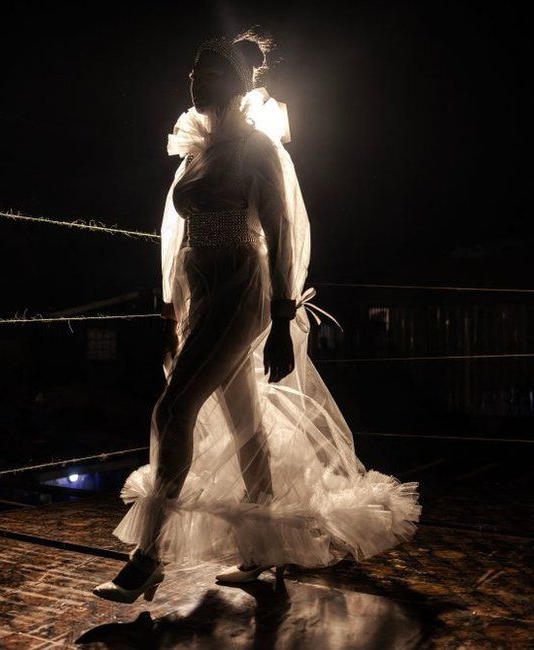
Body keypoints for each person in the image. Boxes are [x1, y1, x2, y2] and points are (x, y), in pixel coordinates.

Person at [93, 30, 422, 604]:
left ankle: (147, 558)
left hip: (241, 291)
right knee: (245, 422)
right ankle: (261, 553)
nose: (194, 81)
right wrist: (171, 306)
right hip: (201, 292)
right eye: (192, 72)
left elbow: (282, 231)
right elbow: (178, 236)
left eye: (208, 73)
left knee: (174, 409)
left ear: (237, 86)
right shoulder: (198, 148)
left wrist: (282, 309)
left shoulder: (258, 150)